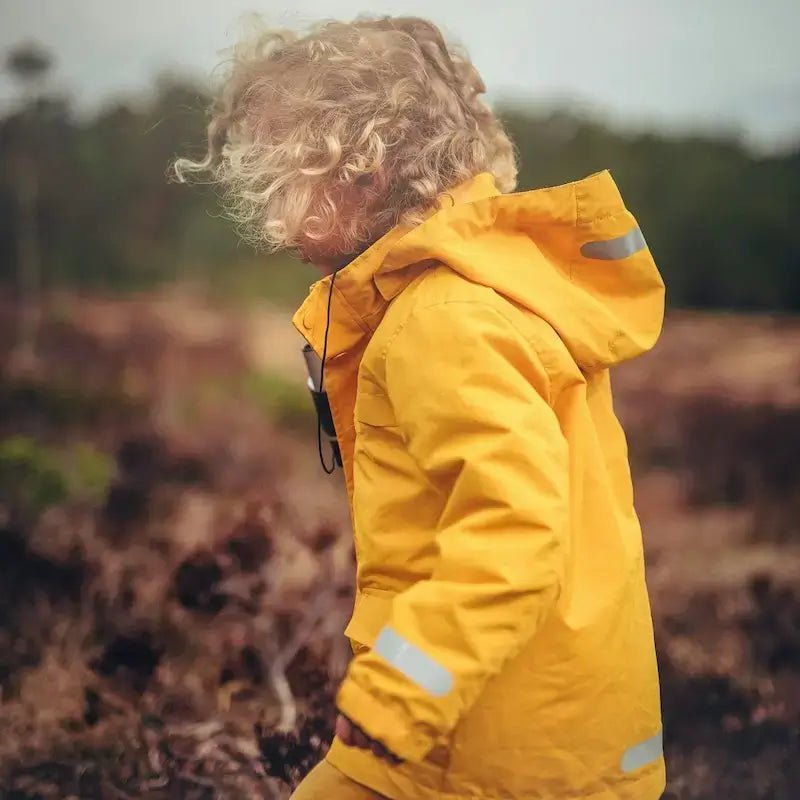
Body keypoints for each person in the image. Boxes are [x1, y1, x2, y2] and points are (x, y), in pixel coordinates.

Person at [175, 15, 666, 800]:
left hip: (485, 751)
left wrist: (401, 695)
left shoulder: (443, 319)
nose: (270, 220)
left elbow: (513, 526)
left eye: (281, 179)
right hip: (548, 727)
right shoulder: (491, 287)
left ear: (364, 172)